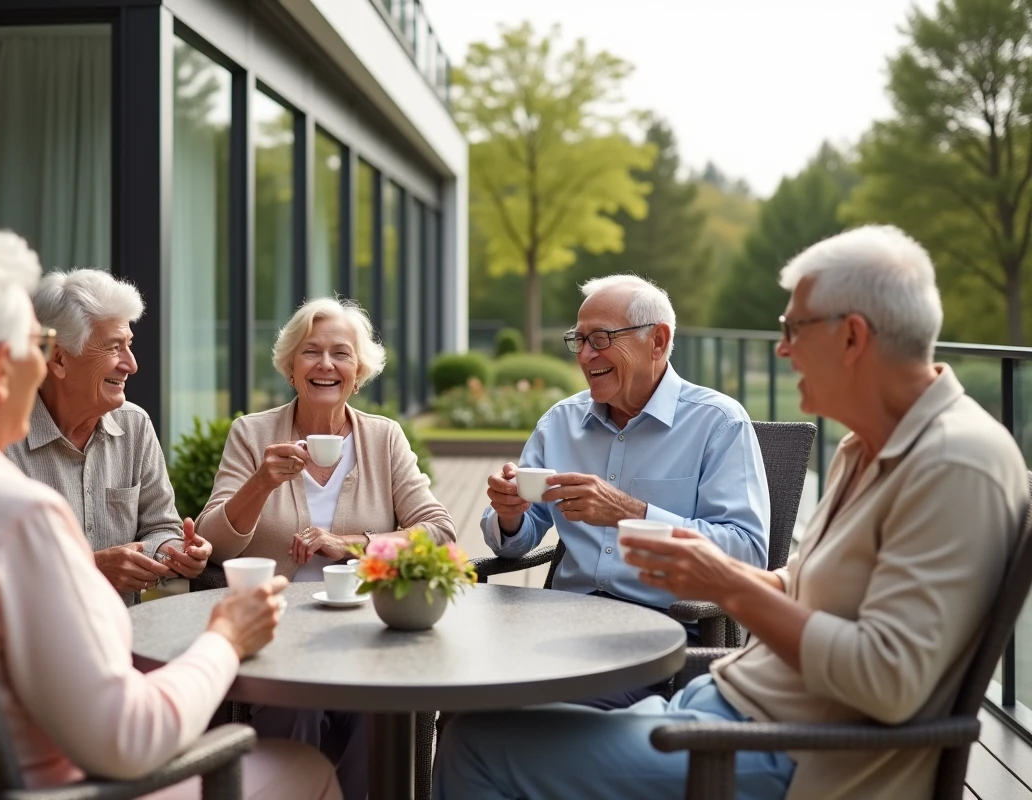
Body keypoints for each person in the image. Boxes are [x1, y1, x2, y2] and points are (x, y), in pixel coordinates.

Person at [433, 225, 1029, 799]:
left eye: (795, 327)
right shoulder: (869, 446)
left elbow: (890, 684)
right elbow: (806, 589)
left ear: (851, 337)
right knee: (487, 723)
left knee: (476, 744)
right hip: (725, 698)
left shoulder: (954, 462)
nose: (781, 347)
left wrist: (723, 581)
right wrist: (734, 581)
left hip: (789, 752)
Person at [0, 218, 340, 800]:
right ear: (2, 368)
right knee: (304, 766)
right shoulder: (18, 516)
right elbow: (129, 739)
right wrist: (226, 636)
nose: (42, 362)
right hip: (60, 788)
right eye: (38, 346)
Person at [197, 296, 456, 800]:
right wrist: (260, 483)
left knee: (380, 710)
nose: (326, 364)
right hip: (276, 635)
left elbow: (439, 531)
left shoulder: (384, 439)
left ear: (358, 372)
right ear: (291, 367)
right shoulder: (252, 435)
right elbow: (215, 546)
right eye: (311, 352)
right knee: (296, 702)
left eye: (341, 353)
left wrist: (355, 544)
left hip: (367, 632)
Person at [482, 274, 769, 705]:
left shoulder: (718, 423)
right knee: (462, 696)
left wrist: (630, 512)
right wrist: (508, 513)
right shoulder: (560, 422)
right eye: (577, 340)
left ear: (657, 341)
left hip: (661, 633)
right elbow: (515, 543)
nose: (584, 355)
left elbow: (747, 553)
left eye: (599, 338)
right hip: (558, 625)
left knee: (523, 714)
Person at [7, 269, 210, 606]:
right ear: (58, 358)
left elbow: (160, 526)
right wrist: (92, 567)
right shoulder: (2, 439)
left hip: (124, 635)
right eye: (115, 348)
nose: (131, 365)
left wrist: (173, 553)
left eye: (129, 345)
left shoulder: (134, 425)